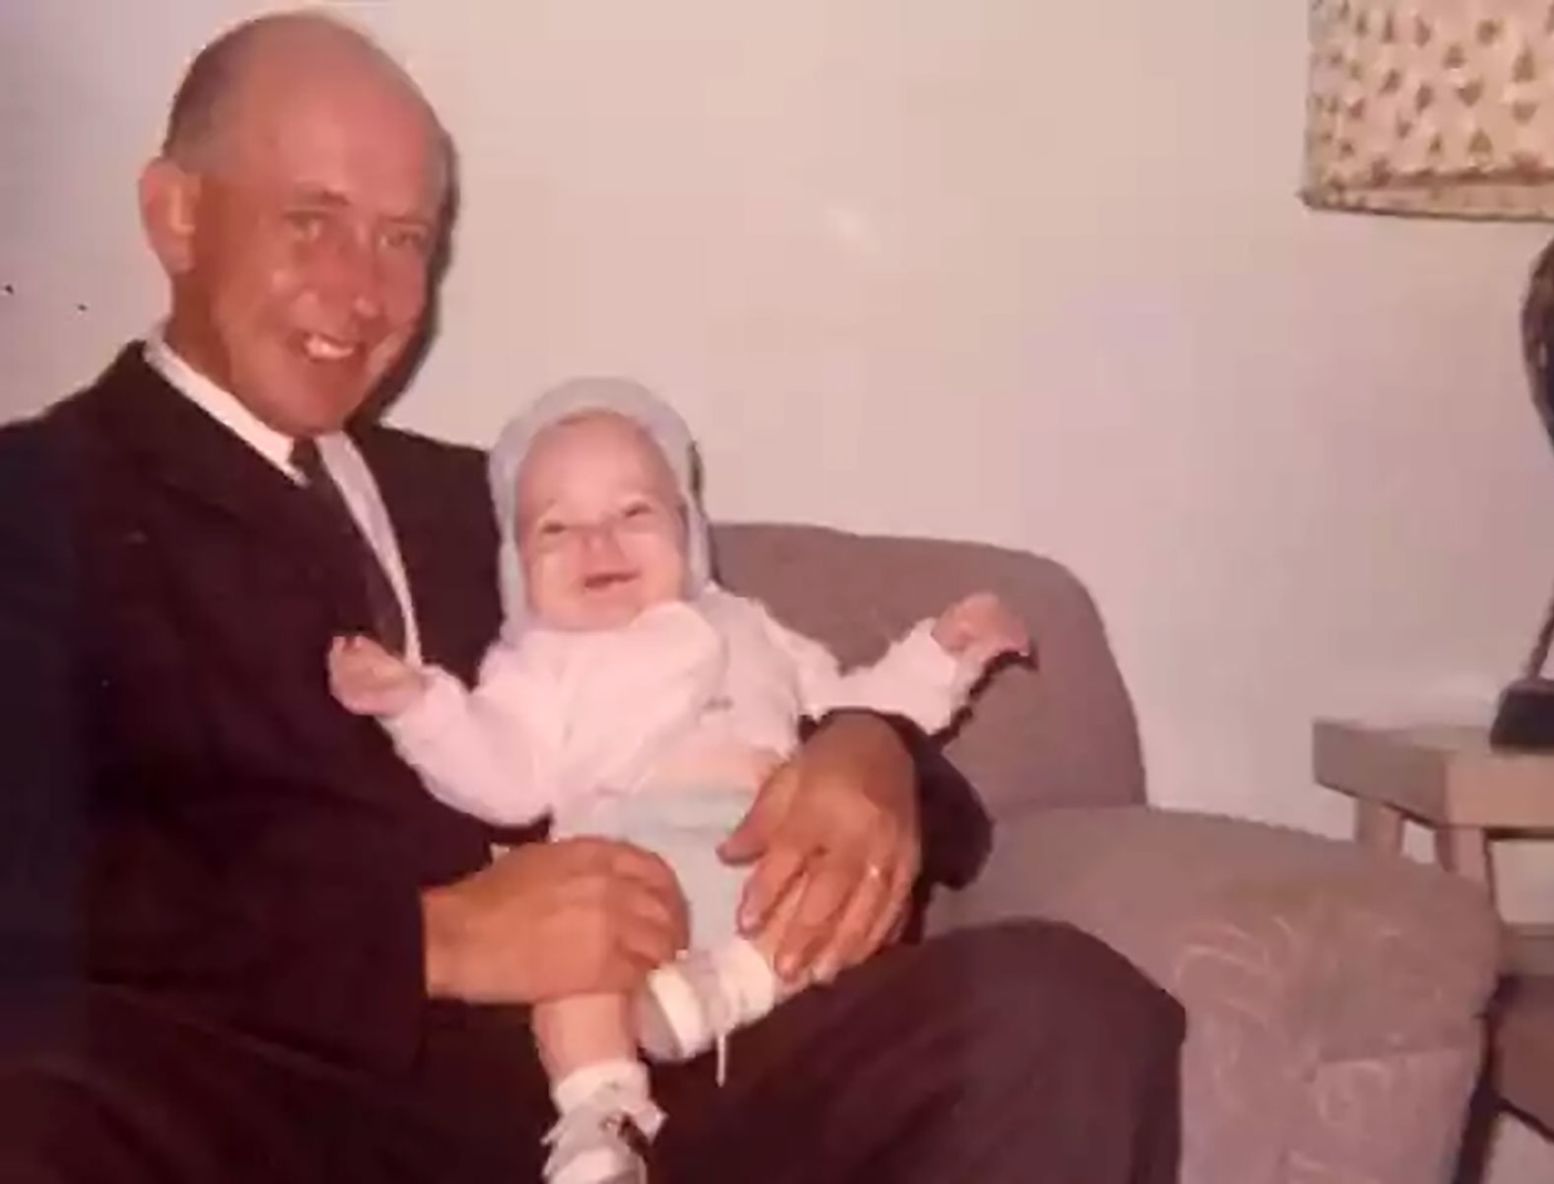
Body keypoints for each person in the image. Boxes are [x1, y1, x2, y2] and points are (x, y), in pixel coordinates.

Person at [0, 11, 1184, 1183]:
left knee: (1056, 1011)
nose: (362, 290)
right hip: (277, 1107)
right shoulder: (35, 499)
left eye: (404, 238)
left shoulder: (509, 503)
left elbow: (739, 672)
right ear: (178, 213)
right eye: (311, 220)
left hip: (648, 1075)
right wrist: (429, 939)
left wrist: (872, 746)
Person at [327, 378, 1033, 1184]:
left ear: (688, 533)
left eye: (633, 514)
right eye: (557, 528)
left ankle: (735, 983)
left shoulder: (749, 628)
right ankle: (601, 1115)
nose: (599, 543)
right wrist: (417, 704)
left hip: (762, 848)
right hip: (623, 876)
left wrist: (943, 655)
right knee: (568, 970)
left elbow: (856, 713)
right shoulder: (538, 663)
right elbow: (504, 777)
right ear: (517, 571)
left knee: (844, 906)